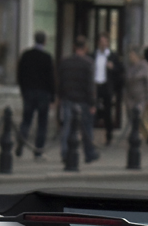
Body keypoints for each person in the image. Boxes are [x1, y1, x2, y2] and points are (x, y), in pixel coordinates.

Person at [57, 34, 99, 164]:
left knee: (67, 127)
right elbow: (90, 86)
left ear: (74, 47)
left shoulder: (65, 62)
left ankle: (65, 152)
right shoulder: (88, 63)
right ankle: (89, 153)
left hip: (68, 99)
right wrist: (93, 103)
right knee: (86, 127)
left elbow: (60, 82)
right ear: (85, 48)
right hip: (83, 100)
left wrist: (59, 97)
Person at [16, 30, 55, 158]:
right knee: (42, 124)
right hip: (43, 94)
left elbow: (20, 75)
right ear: (44, 41)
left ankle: (21, 144)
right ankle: (38, 152)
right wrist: (53, 98)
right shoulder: (47, 57)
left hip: (29, 93)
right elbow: (51, 79)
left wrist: (23, 90)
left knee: (26, 120)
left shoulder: (26, 55)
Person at [91, 32, 123, 146]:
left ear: (108, 43)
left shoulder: (113, 56)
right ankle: (91, 136)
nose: (103, 44)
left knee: (107, 112)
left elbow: (120, 70)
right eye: (101, 42)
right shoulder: (93, 55)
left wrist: (113, 67)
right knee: (92, 110)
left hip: (106, 86)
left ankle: (109, 135)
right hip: (95, 85)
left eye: (105, 42)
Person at [123, 46, 148, 141]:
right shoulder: (130, 66)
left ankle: (147, 135)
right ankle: (135, 133)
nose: (130, 56)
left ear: (137, 55)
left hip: (141, 97)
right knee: (132, 116)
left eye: (131, 54)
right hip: (130, 97)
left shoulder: (145, 66)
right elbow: (126, 81)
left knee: (140, 116)